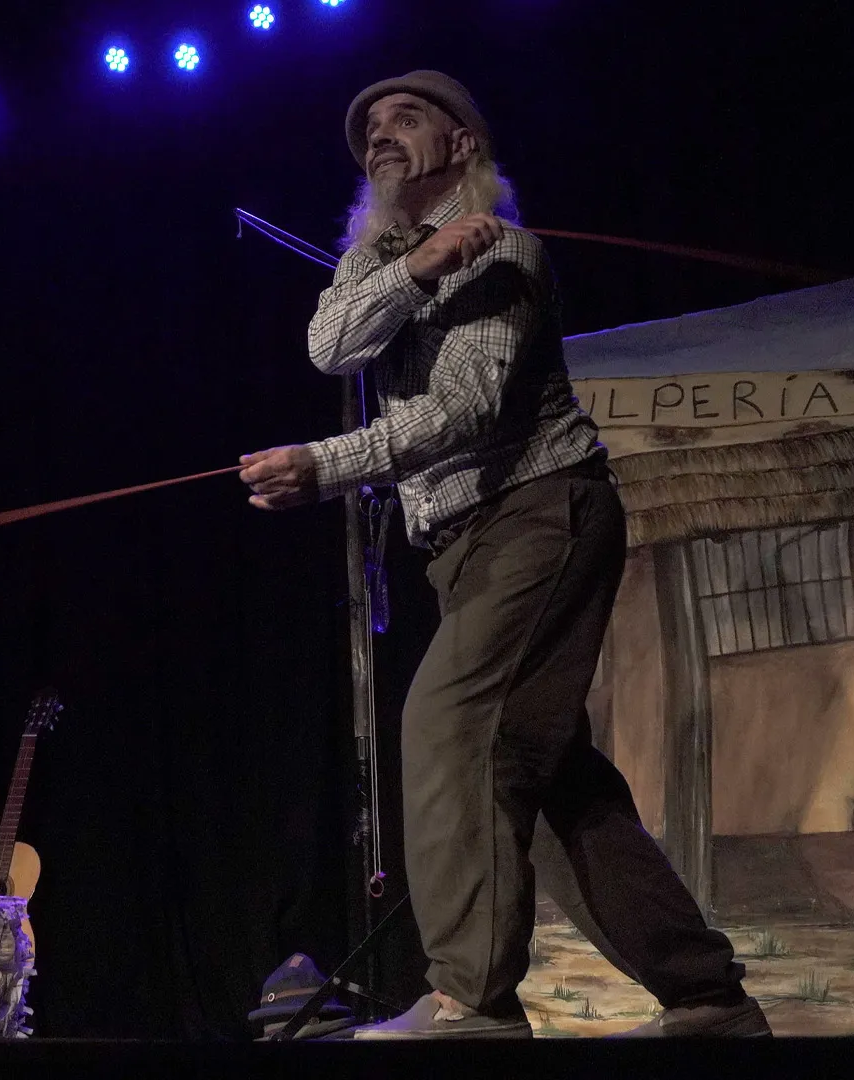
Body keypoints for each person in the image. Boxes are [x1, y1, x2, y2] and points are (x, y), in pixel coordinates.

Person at [238, 70, 769, 1039]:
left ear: (462, 144)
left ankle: (472, 1001)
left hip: (540, 512)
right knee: (552, 781)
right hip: (462, 549)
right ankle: (709, 998)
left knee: (452, 726)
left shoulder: (506, 251)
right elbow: (329, 346)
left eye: (405, 119)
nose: (379, 136)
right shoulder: (382, 265)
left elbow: (468, 407)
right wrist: (412, 265)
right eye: (368, 129)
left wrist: (327, 465)